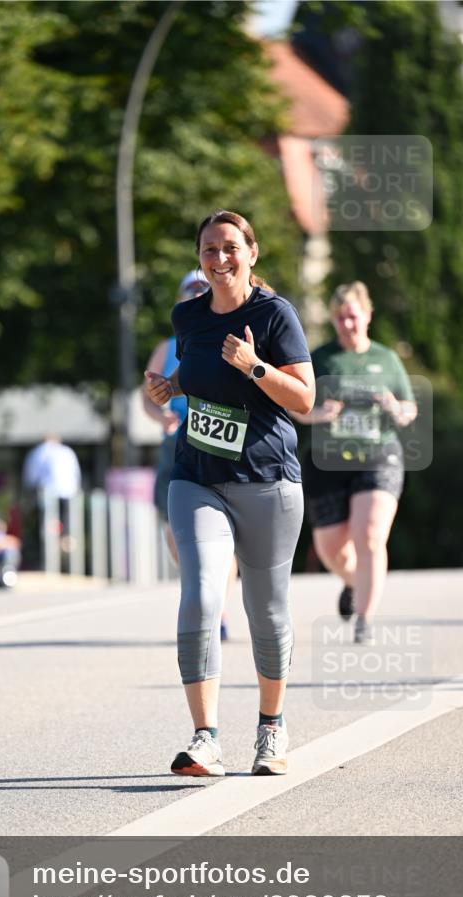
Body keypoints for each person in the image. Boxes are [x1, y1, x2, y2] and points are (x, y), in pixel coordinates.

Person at [145, 210, 314, 777]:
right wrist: (170, 387)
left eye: (229, 248)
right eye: (209, 249)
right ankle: (205, 737)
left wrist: (256, 366)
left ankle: (271, 728)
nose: (219, 259)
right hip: (195, 477)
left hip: (267, 480)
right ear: (199, 257)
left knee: (266, 611)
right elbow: (195, 380)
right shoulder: (186, 317)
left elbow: (305, 400)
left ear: (252, 253)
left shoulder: (274, 315)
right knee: (199, 593)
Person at [290, 281, 417, 644]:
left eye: (353, 317)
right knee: (331, 548)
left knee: (370, 536)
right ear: (333, 320)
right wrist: (318, 415)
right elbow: (296, 406)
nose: (347, 324)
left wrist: (397, 408)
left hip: (378, 455)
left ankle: (364, 618)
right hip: (328, 461)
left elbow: (409, 408)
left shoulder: (386, 358)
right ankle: (352, 582)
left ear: (368, 315)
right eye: (341, 318)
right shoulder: (321, 358)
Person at [142, 269, 237, 641]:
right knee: (174, 533)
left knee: (224, 537)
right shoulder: (167, 347)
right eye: (190, 290)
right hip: (177, 444)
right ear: (180, 299)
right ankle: (204, 591)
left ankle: (219, 612)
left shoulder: (228, 336)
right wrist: (158, 412)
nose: (197, 294)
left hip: (219, 443)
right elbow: (147, 394)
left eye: (203, 289)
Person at [22, 435, 81, 565]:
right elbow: (76, 475)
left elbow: (31, 477)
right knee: (65, 529)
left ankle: (51, 557)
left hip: (49, 494)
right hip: (68, 494)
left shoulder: (40, 451)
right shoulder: (68, 451)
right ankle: (64, 554)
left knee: (48, 527)